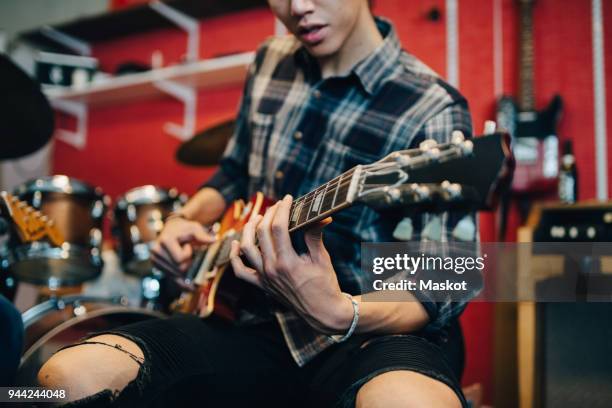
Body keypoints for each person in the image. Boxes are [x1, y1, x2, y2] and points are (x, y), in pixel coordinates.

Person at [38, 0, 477, 406]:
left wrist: (339, 310)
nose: (298, 7)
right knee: (64, 377)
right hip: (253, 321)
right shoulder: (271, 61)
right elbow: (232, 173)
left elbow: (446, 281)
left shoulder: (432, 107)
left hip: (370, 332)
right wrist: (184, 219)